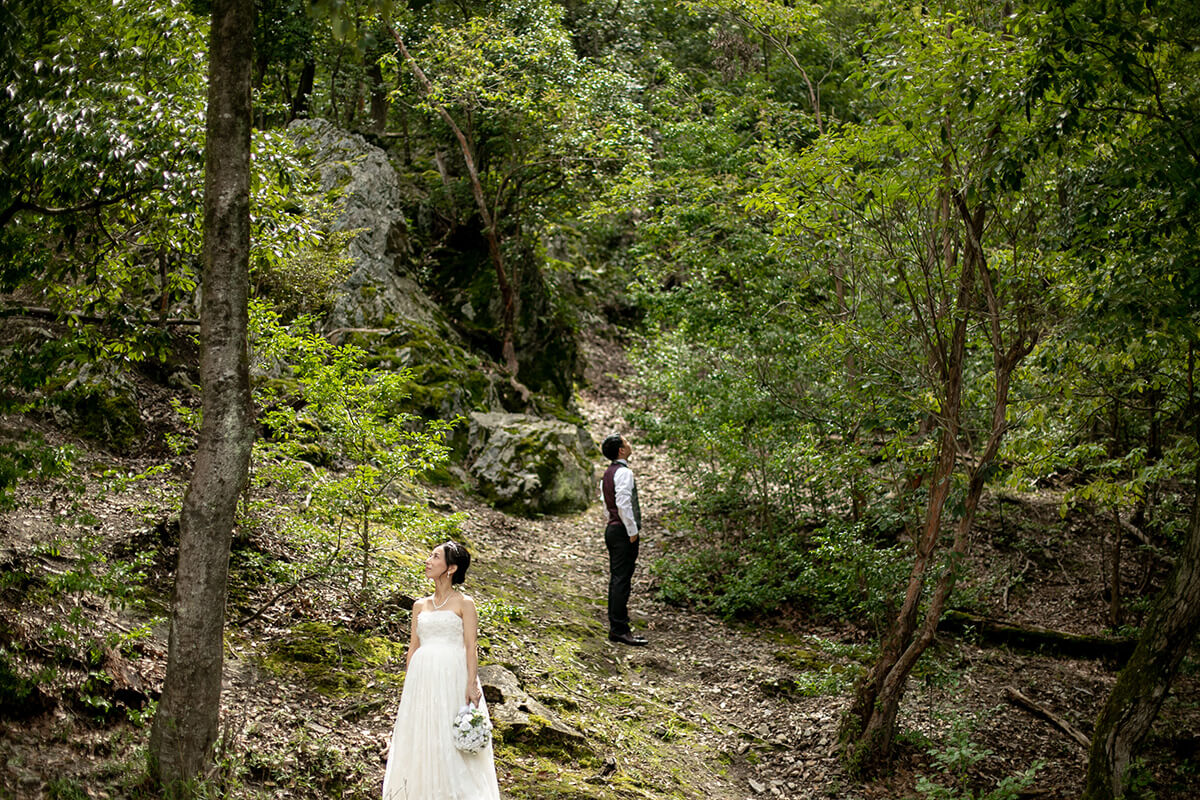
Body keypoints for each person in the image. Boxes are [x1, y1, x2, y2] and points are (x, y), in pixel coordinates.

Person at [382, 541, 501, 800]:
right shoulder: (419, 605)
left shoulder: (464, 603)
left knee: (450, 733)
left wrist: (471, 684)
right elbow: (413, 646)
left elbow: (471, 646)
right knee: (422, 732)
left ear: (451, 568)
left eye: (435, 557)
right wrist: (408, 683)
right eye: (430, 555)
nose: (428, 560)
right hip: (421, 677)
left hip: (453, 674)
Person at [600, 433, 647, 646]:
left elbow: (605, 504)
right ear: (621, 450)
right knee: (621, 580)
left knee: (617, 578)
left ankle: (618, 625)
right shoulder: (624, 473)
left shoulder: (607, 474)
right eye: (626, 442)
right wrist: (632, 530)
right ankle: (619, 628)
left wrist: (612, 523)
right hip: (622, 532)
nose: (629, 444)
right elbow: (623, 503)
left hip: (612, 528)